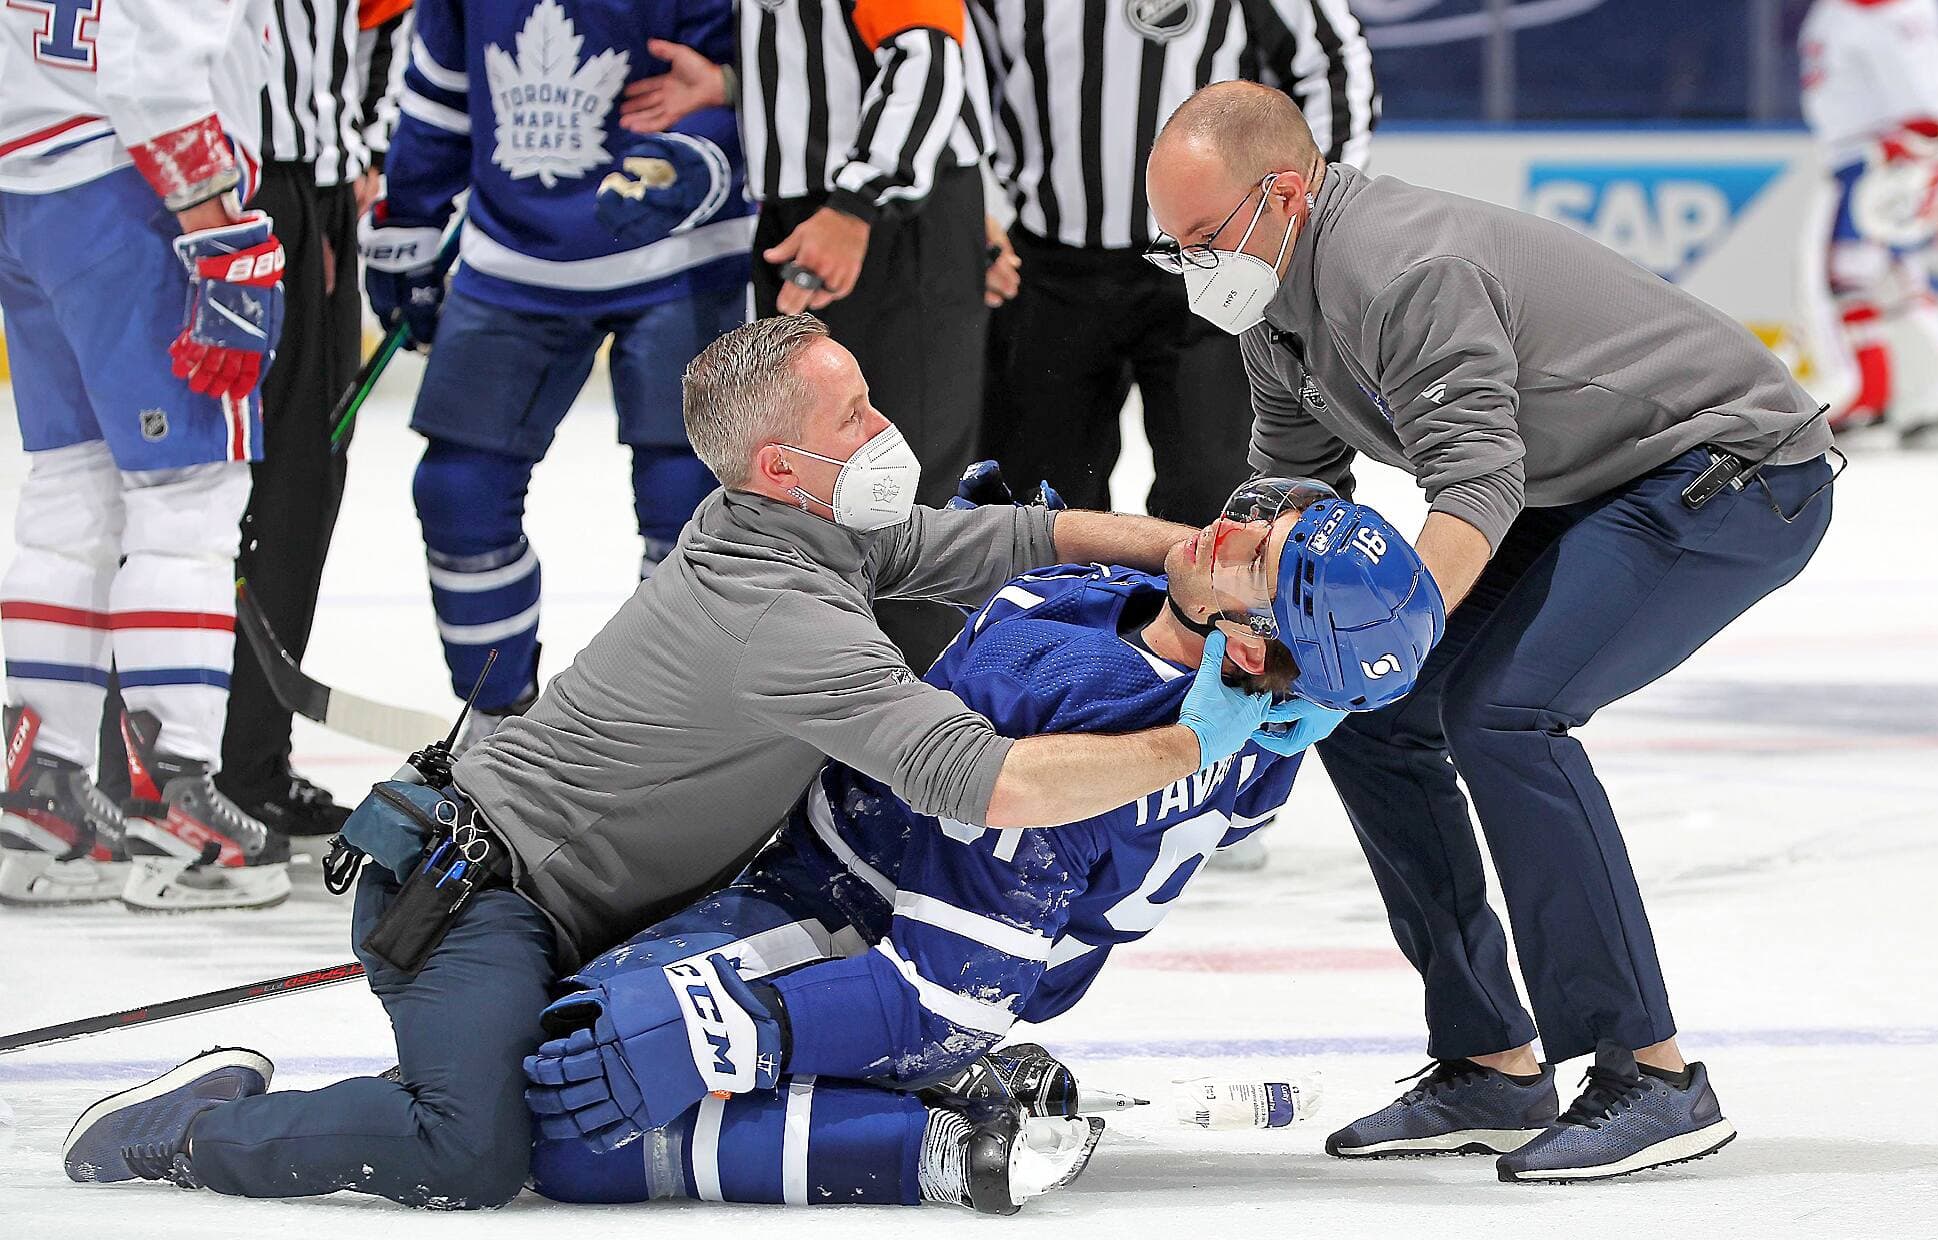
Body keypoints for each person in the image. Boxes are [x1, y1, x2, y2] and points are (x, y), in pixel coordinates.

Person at [58, 313, 1309, 1211]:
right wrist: (1203, 737)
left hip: (575, 901)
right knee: (471, 1154)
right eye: (854, 419)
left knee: (557, 1081)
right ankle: (190, 1131)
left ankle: (425, 1073)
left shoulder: (799, 525)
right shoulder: (786, 619)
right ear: (784, 469)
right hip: (482, 902)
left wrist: (1191, 555)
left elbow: (1010, 535)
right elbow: (998, 784)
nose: (884, 431)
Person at [1144, 83, 1839, 1183]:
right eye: (1170, 247)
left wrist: (1375, 646)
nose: (1190, 268)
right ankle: (1490, 1063)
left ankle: (1651, 1075)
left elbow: (1471, 481)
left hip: (1731, 474)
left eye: (1200, 239)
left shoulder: (1399, 268)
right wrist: (1258, 636)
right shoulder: (1272, 310)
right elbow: (1294, 489)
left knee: (1503, 714)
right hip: (1588, 484)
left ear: (1281, 193)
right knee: (1368, 722)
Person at [510, 478, 1441, 1213]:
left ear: (1247, 647)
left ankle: (931, 1145)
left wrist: (738, 1033)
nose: (1228, 527)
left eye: (1259, 558)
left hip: (861, 931)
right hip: (836, 878)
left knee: (563, 1122)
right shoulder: (1199, 662)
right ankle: (931, 1090)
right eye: (1268, 515)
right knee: (562, 1055)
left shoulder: (1099, 739)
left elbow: (946, 997)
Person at [361, 0, 752, 741]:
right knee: (457, 491)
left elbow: (748, 77)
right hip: (513, 253)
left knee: (688, 498)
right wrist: (408, 218)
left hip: (677, 250)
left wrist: (698, 157)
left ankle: (664, 728)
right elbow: (443, 89)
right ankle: (497, 719)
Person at [0, 0, 294, 911]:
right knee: (189, 494)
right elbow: (151, 58)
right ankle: (180, 810)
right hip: (130, 191)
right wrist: (214, 222)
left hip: (22, 195)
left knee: (72, 487)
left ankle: (41, 795)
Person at [622, 2, 998, 665]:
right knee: (807, 497)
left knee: (890, 496)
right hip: (818, 210)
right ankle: (824, 737)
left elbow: (929, 60)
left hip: (880, 215)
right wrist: (742, 85)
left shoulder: (864, 201)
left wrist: (856, 207)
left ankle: (915, 750)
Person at [972, 0, 1376, 526]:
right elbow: (955, 78)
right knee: (1040, 507)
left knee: (1219, 496)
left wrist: (1307, 218)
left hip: (1212, 269)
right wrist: (976, 217)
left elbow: (1332, 59)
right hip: (1044, 269)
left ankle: (1201, 612)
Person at [216, 0, 411, 842]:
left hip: (307, 196)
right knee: (187, 488)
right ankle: (176, 758)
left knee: (301, 478)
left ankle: (243, 761)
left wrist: (355, 160)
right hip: (232, 188)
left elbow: (386, 30)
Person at [1793, 0, 1938, 439]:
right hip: (1860, 155)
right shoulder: (1841, 11)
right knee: (1894, 277)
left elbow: (1928, 115)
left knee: (1856, 277)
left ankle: (1873, 393)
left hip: (1883, 159)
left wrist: (1916, 170)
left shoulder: (1897, 16)